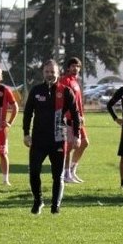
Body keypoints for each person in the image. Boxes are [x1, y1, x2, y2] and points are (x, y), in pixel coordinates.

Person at [22, 59, 80, 214]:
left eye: (52, 72)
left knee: (58, 175)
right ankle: (38, 201)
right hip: (38, 139)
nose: (50, 75)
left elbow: (75, 114)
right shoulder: (36, 90)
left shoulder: (66, 91)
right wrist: (26, 133)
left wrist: (77, 135)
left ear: (58, 73)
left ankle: (55, 206)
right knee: (34, 172)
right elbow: (27, 113)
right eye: (47, 72)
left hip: (58, 139)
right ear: (43, 72)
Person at [60, 57, 89, 183]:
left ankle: (72, 170)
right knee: (68, 147)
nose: (75, 68)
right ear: (68, 68)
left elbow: (78, 102)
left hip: (78, 119)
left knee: (84, 143)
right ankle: (66, 174)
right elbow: (62, 100)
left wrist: (82, 116)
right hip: (69, 119)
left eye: (77, 66)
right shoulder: (65, 80)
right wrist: (66, 116)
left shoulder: (76, 82)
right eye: (72, 66)